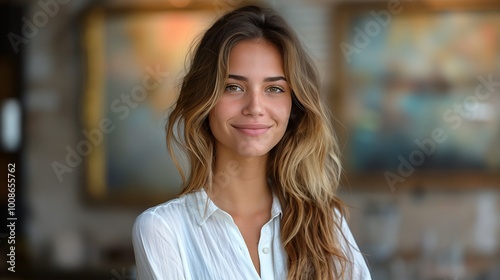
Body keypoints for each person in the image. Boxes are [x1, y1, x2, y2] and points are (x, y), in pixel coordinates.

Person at [132, 4, 371, 280]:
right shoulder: (163, 230)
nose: (255, 107)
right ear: (205, 100)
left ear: (293, 105)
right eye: (233, 87)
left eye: (274, 88)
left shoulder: (325, 222)